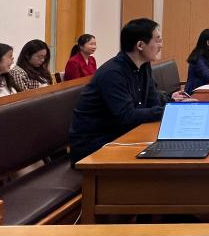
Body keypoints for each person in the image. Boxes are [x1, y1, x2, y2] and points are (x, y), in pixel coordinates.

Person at [68, 19, 190, 165]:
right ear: (140, 45)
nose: (161, 45)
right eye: (157, 40)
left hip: (122, 135)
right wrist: (172, 110)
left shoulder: (143, 66)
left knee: (178, 150)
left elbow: (153, 102)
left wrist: (175, 105)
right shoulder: (113, 73)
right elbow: (126, 116)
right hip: (94, 147)